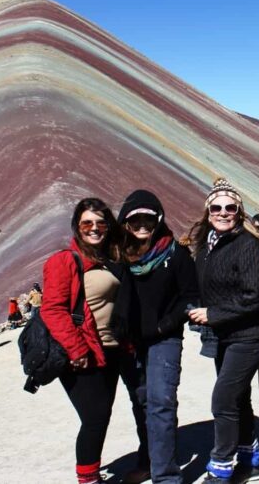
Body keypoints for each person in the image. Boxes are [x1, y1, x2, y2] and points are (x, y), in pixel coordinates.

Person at [186, 177, 259, 484]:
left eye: (230, 207)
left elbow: (256, 296)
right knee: (237, 398)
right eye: (217, 208)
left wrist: (213, 313)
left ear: (239, 211)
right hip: (226, 334)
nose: (224, 212)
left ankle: (221, 467)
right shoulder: (207, 245)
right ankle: (250, 459)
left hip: (250, 335)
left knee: (222, 400)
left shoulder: (247, 244)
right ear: (208, 212)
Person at [114, 189, 200, 484]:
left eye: (148, 220)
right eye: (134, 219)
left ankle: (166, 477)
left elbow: (190, 296)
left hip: (165, 339)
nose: (141, 225)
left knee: (161, 401)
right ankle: (149, 461)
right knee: (142, 402)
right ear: (125, 222)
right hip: (129, 342)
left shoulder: (175, 253)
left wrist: (166, 325)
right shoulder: (119, 256)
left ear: (158, 220)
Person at [40, 198, 127, 484]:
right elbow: (52, 309)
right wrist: (76, 349)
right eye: (87, 223)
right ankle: (87, 478)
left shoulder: (111, 258)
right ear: (77, 227)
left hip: (111, 350)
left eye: (101, 222)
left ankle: (91, 474)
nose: (94, 228)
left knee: (101, 415)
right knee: (95, 416)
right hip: (81, 352)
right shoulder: (64, 261)